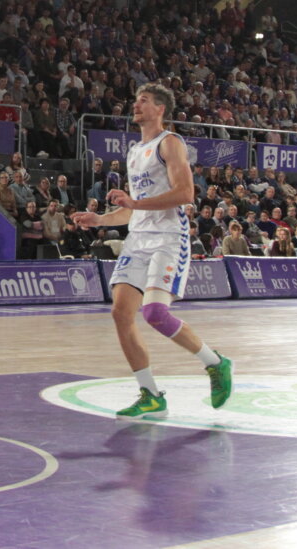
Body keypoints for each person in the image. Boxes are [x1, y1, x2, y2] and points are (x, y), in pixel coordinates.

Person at [71, 83, 232, 419]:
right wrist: (99, 219)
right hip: (138, 240)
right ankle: (150, 393)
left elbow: (186, 193)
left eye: (143, 101)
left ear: (160, 109)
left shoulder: (170, 143)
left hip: (168, 238)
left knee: (155, 314)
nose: (136, 105)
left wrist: (136, 202)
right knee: (120, 312)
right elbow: (132, 210)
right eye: (135, 100)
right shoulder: (133, 152)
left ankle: (215, 363)